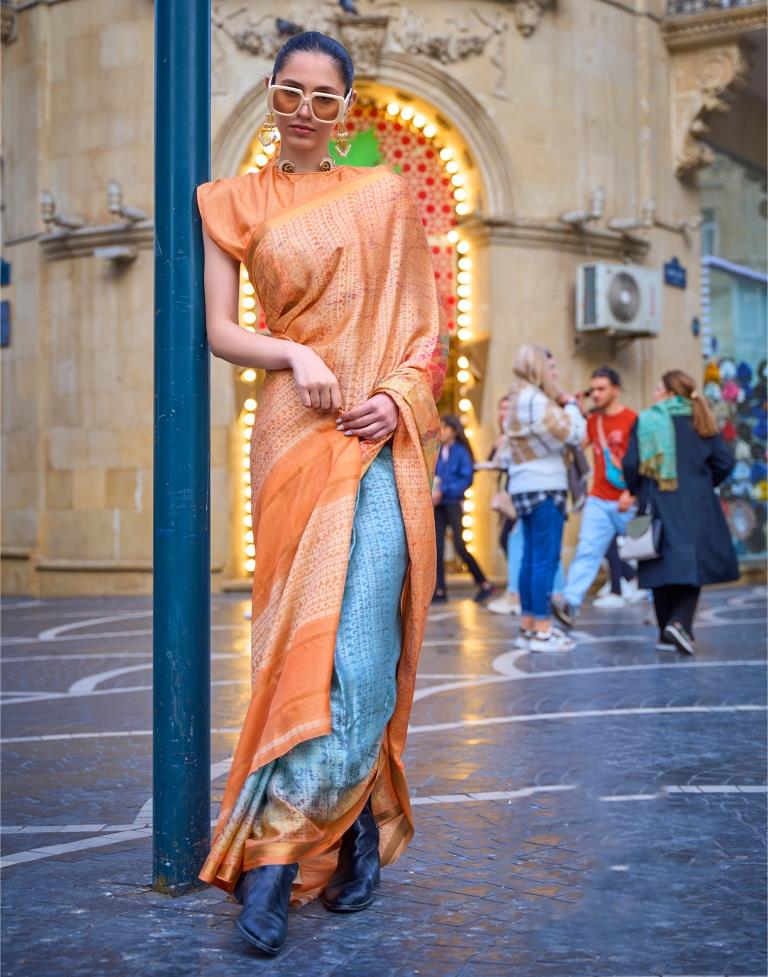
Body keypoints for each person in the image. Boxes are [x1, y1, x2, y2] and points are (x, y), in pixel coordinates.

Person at [195, 32, 446, 955]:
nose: (305, 113)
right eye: (290, 93)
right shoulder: (231, 202)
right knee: (298, 649)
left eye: (325, 99)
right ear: (271, 94)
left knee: (364, 639)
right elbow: (223, 330)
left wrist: (392, 399)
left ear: (349, 109)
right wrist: (295, 350)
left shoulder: (382, 196)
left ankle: (324, 838)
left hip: (378, 438)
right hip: (293, 432)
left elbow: (426, 333)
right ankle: (291, 859)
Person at [623, 369, 738, 654]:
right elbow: (724, 461)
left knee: (659, 562)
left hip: (657, 500)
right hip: (697, 503)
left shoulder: (647, 420)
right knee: (692, 564)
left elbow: (630, 463)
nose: (654, 395)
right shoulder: (702, 420)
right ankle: (679, 624)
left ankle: (669, 629)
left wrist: (638, 487)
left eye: (658, 389)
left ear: (670, 393)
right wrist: (702, 482)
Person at [505, 345, 586, 652]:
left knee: (530, 559)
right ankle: (542, 629)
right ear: (538, 368)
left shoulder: (517, 399)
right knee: (545, 559)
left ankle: (528, 626)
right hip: (545, 486)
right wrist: (572, 406)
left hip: (523, 485)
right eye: (551, 367)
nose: (555, 373)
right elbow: (574, 433)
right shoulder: (537, 400)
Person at [552, 367, 638, 628]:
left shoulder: (633, 419)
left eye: (602, 389)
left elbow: (644, 461)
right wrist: (575, 411)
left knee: (646, 554)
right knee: (587, 550)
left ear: (615, 390)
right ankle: (570, 603)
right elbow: (575, 446)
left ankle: (665, 608)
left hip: (627, 499)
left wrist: (632, 493)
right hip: (599, 499)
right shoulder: (593, 420)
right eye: (594, 389)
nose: (597, 394)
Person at [433, 415, 495, 603]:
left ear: (453, 430)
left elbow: (465, 478)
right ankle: (440, 590)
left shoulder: (461, 452)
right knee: (437, 547)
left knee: (460, 545)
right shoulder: (436, 451)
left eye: (444, 427)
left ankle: (484, 582)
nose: (441, 431)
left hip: (452, 503)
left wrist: (443, 490)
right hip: (437, 505)